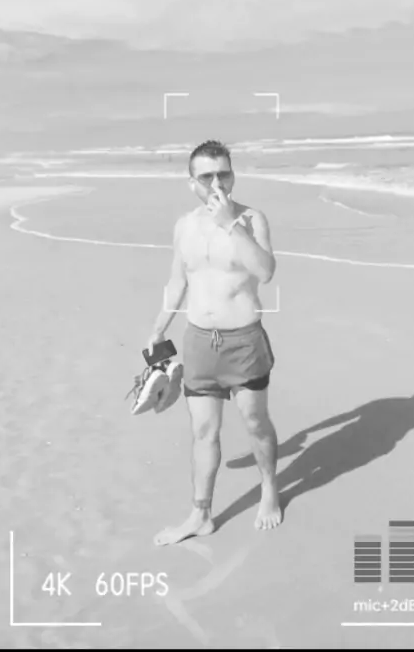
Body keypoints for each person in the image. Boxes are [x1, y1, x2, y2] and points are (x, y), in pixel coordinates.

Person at [145, 139, 281, 545]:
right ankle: (200, 514)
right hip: (200, 343)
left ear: (233, 175)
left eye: (224, 173)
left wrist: (229, 224)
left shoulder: (252, 219)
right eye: (207, 177)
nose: (217, 183)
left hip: (243, 342)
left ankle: (269, 488)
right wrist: (158, 329)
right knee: (203, 431)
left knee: (255, 422)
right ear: (192, 183)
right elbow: (177, 281)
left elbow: (266, 271)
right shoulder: (184, 226)